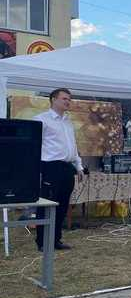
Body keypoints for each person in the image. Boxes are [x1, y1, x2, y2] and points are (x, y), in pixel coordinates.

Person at [33, 88, 82, 251]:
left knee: (62, 205)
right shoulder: (41, 119)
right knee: (47, 205)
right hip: (50, 167)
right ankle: (42, 242)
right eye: (64, 98)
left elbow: (73, 147)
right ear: (53, 99)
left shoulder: (67, 121)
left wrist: (79, 166)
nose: (68, 101)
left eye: (69, 99)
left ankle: (55, 240)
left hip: (67, 168)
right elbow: (34, 145)